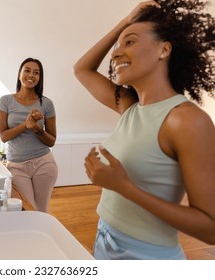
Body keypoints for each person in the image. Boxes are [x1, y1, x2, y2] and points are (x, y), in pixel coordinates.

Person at [73, 0, 215, 259]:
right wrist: (126, 22)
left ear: (164, 50)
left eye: (129, 42)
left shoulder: (186, 120)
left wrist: (125, 187)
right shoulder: (128, 107)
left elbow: (211, 228)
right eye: (117, 45)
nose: (115, 53)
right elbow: (82, 69)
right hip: (104, 241)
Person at [0, 57, 58, 212]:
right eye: (27, 71)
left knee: (42, 210)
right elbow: (3, 136)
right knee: (28, 210)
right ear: (19, 74)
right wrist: (26, 123)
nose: (31, 75)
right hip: (17, 166)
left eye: (36, 73)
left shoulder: (47, 104)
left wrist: (37, 128)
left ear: (40, 78)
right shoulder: (6, 101)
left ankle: (43, 236)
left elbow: (51, 141)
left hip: (44, 163)